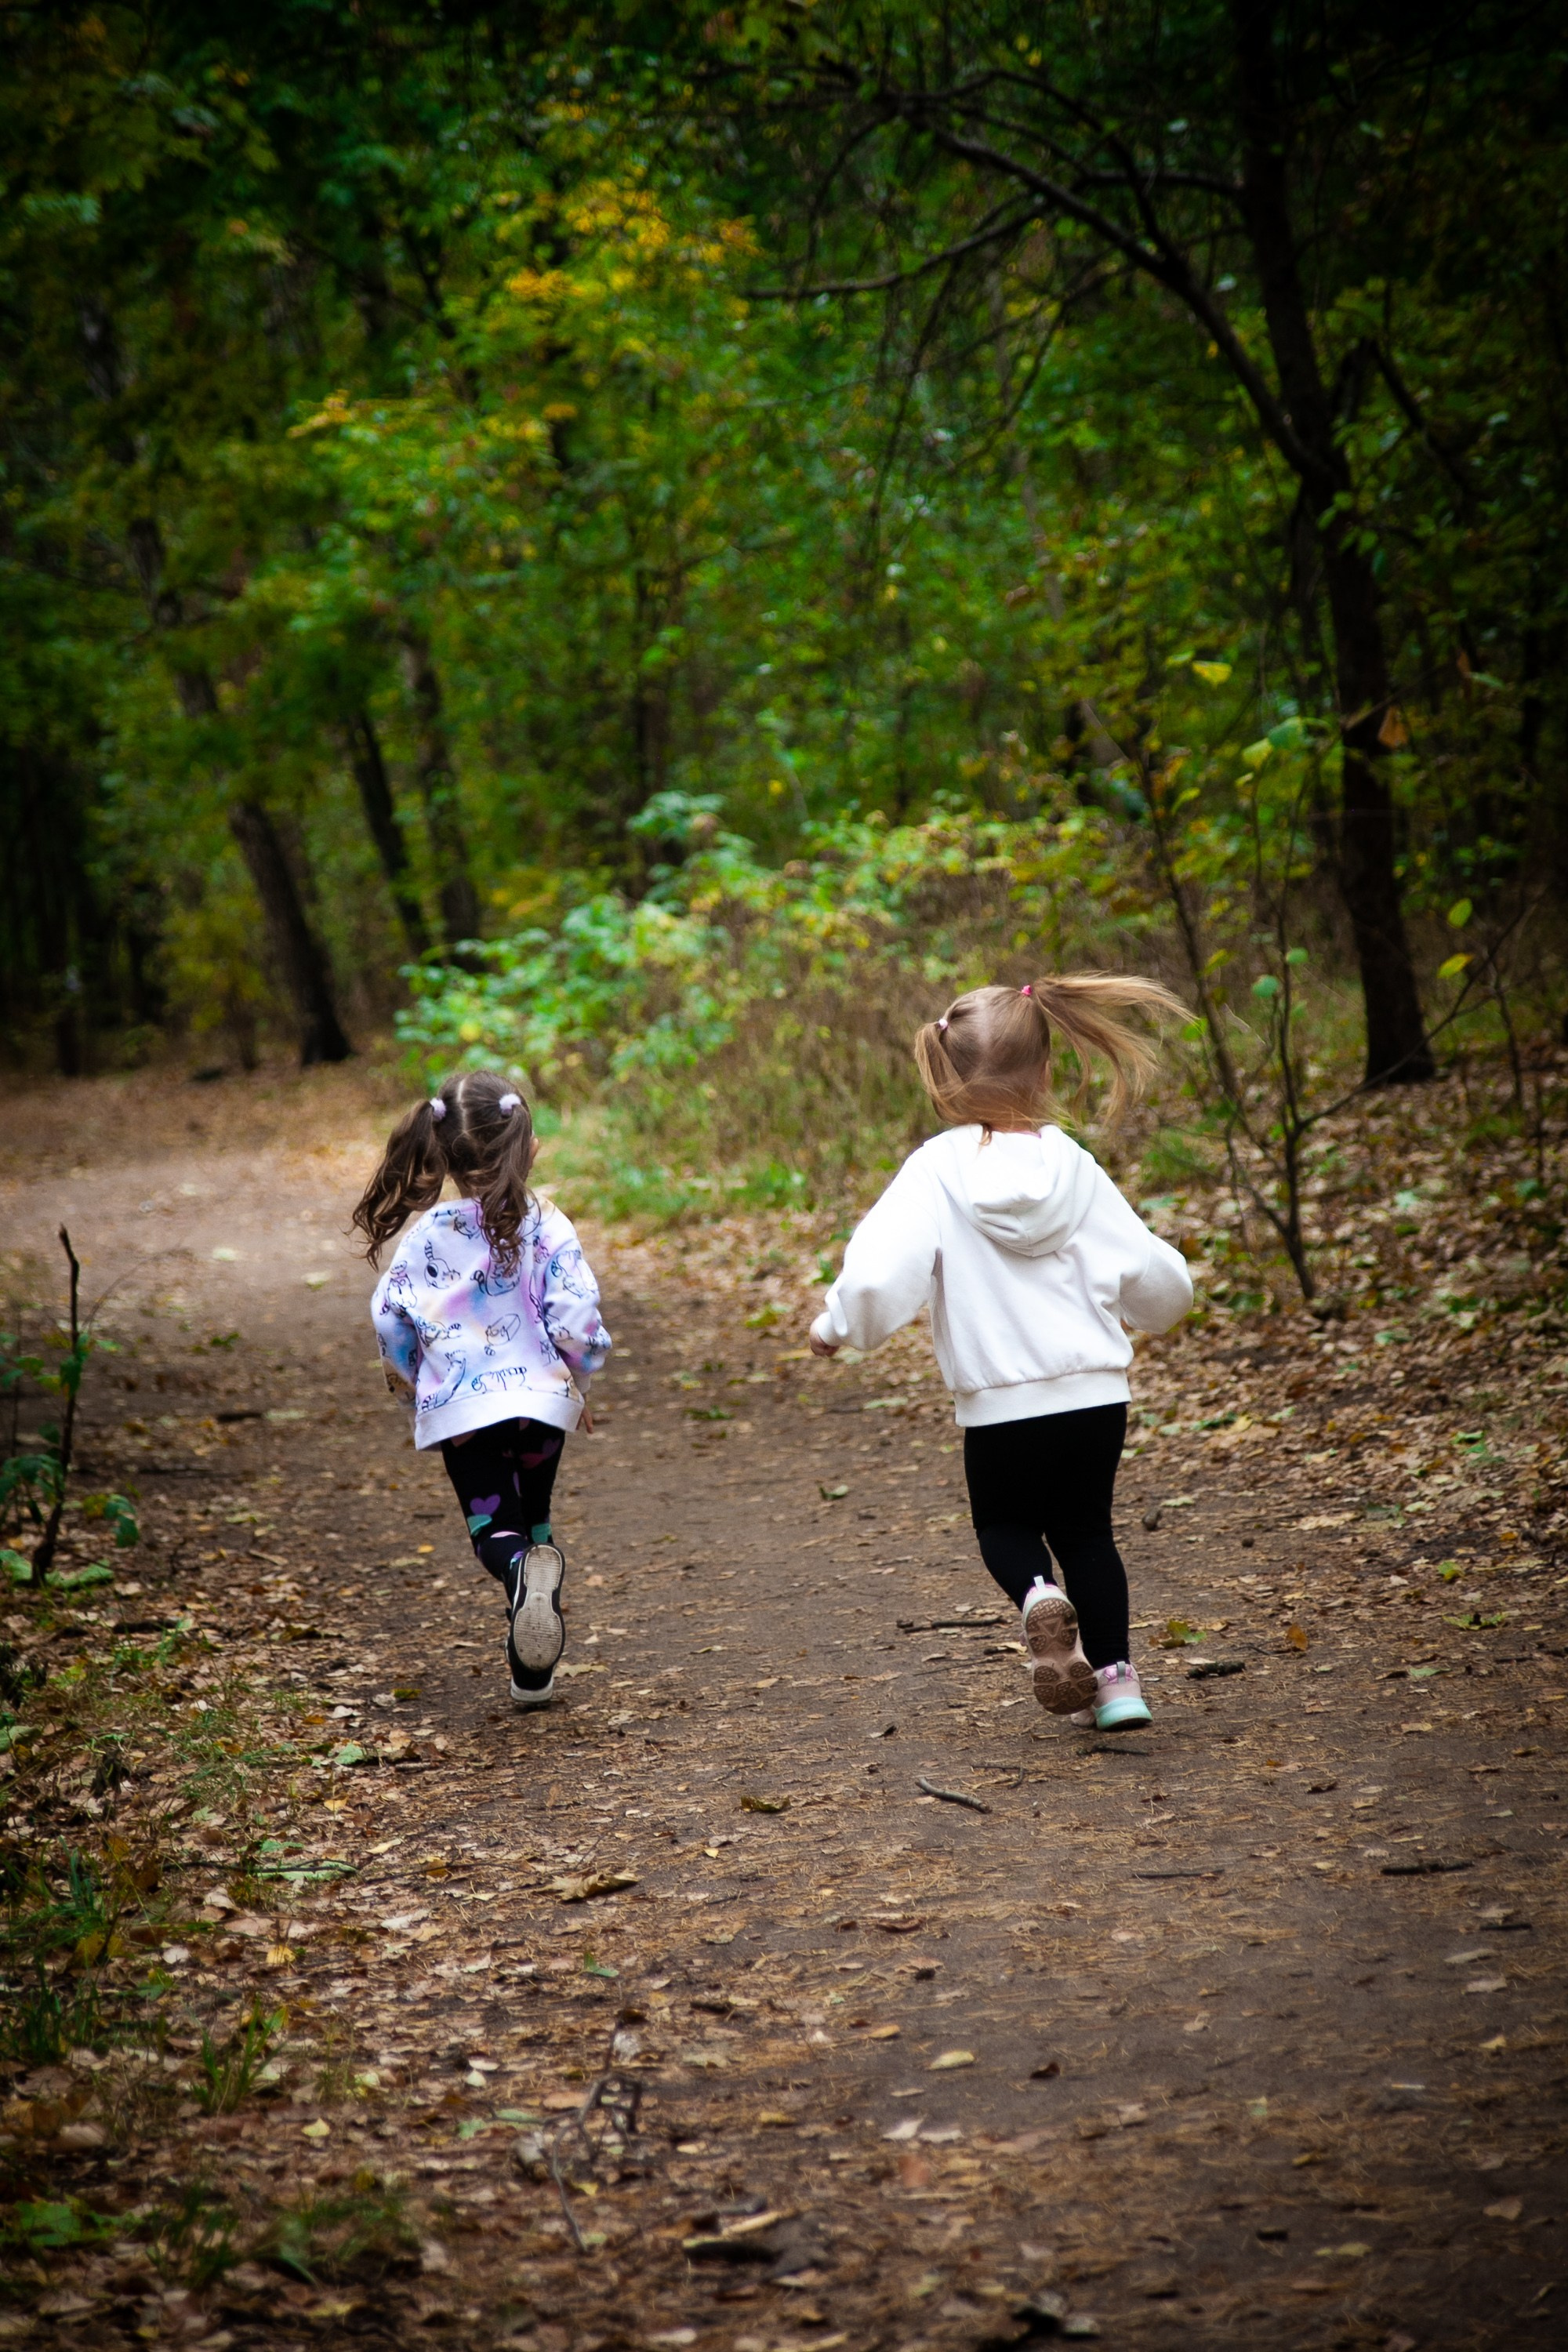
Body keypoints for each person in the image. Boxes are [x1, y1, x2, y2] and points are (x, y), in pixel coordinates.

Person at [808, 976, 1192, 1733]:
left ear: (946, 1079)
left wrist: (837, 1325)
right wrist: (1166, 1303)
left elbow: (884, 1272)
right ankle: (1117, 1686)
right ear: (1046, 1071)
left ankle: (1037, 1597)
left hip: (1002, 1405)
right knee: (1089, 1532)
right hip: (1094, 1396)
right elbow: (1149, 1273)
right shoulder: (1074, 1166)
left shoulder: (936, 1170)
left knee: (1006, 1527)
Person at [353, 1069, 611, 1710]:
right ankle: (533, 1674)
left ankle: (523, 1579)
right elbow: (577, 1315)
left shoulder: (427, 1235)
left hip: (465, 1411)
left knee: (498, 1528)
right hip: (541, 1408)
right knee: (536, 1520)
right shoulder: (548, 1222)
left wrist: (413, 1382)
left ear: (439, 1154)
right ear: (529, 1146)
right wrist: (579, 1378)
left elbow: (389, 1316)